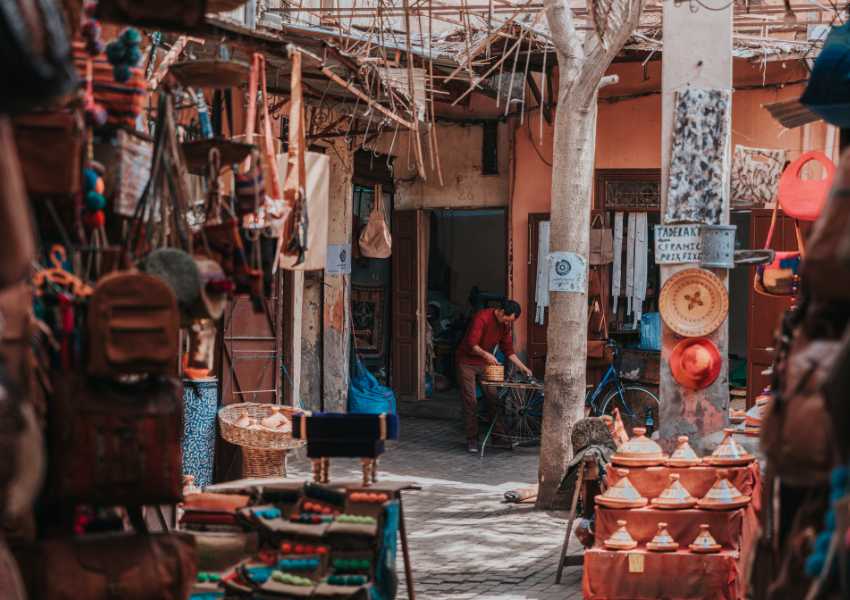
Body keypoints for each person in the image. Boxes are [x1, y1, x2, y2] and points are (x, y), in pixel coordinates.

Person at [455, 299, 533, 453]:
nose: (507, 323)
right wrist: (487, 355)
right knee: (470, 401)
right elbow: (472, 344)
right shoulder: (482, 317)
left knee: (494, 398)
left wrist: (524, 368)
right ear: (502, 312)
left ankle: (498, 437)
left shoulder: (504, 326)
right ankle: (472, 439)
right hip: (466, 362)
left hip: (484, 362)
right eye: (507, 319)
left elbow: (508, 350)